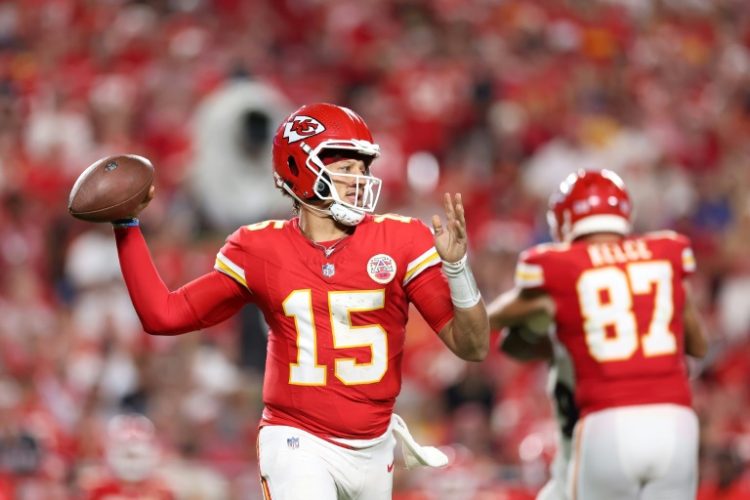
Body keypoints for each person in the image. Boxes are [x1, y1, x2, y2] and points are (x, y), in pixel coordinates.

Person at [107, 103, 490, 500]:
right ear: (302, 168)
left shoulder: (402, 240)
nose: (359, 180)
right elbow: (163, 314)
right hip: (297, 439)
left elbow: (473, 346)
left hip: (375, 448)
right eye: (347, 168)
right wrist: (127, 228)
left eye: (363, 169)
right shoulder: (260, 248)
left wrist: (458, 269)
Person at [488, 169, 707, 500]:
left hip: (608, 420)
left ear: (563, 221)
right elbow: (699, 345)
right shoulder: (664, 256)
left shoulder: (562, 270)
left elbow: (500, 331)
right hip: (677, 419)